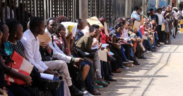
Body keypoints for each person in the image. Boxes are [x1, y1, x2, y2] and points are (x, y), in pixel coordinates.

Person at [21, 17, 83, 96]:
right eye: (44, 27)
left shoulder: (36, 37)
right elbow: (31, 62)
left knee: (60, 73)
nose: (45, 28)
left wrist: (48, 70)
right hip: (32, 70)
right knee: (56, 78)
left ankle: (70, 90)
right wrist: (46, 71)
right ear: (37, 28)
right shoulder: (27, 39)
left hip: (39, 65)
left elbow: (38, 59)